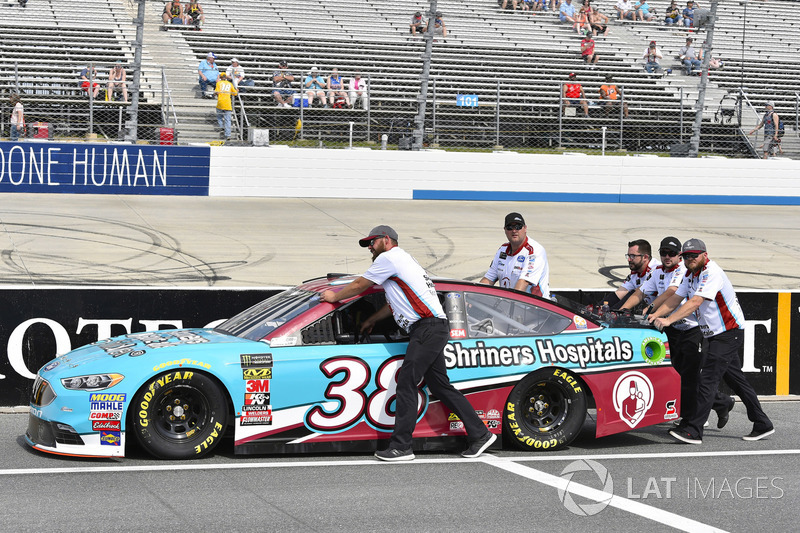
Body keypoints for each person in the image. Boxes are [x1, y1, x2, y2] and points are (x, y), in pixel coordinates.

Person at [320, 225, 497, 462]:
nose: (370, 247)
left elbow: (358, 286)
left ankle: (402, 446)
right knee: (440, 386)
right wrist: (372, 319)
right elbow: (394, 302)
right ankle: (481, 434)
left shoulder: (389, 258)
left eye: (372, 242)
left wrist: (333, 297)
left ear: (386, 240)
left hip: (426, 328)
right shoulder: (401, 260)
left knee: (406, 383)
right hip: (431, 327)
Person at [650, 239, 774, 445]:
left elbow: (695, 302)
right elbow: (674, 299)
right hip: (713, 335)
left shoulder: (712, 272)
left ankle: (694, 430)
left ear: (705, 255)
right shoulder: (690, 275)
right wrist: (656, 315)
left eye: (694, 255)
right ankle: (763, 423)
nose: (690, 259)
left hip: (728, 333)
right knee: (736, 381)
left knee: (706, 380)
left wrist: (669, 320)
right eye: (686, 256)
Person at [620, 237, 733, 430]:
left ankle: (693, 417)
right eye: (663, 253)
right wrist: (621, 310)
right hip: (672, 329)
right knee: (677, 376)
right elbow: (639, 291)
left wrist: (651, 308)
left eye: (671, 253)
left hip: (692, 328)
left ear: (679, 255)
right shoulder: (657, 272)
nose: (667, 256)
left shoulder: (685, 270)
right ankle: (721, 403)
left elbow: (672, 293)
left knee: (690, 377)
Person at [479, 212, 550, 298]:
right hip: (510, 304)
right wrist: (471, 298)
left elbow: (523, 284)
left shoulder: (534, 251)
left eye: (518, 227)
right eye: (510, 227)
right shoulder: (502, 250)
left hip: (534, 308)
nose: (514, 231)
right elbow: (488, 280)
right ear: (505, 230)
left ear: (525, 228)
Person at [610, 239, 660, 308]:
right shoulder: (635, 272)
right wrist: (600, 307)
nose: (629, 259)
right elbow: (619, 294)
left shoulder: (657, 270)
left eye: (632, 256)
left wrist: (615, 312)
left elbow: (637, 293)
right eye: (628, 256)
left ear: (645, 257)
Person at [214, 72, 237, 141]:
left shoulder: (218, 83)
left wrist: (215, 94)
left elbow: (217, 92)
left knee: (219, 116)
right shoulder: (230, 84)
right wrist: (237, 90)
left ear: (220, 78)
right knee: (228, 120)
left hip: (220, 103)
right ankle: (228, 135)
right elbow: (235, 93)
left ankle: (221, 126)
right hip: (228, 103)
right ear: (226, 77)